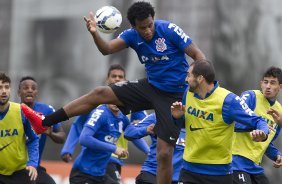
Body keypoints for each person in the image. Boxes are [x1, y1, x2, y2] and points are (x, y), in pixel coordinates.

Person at [21, 2, 206, 184]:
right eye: (143, 28)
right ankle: (44, 122)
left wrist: (194, 83)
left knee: (164, 153)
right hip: (150, 87)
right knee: (99, 93)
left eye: (150, 25)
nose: (148, 30)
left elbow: (200, 57)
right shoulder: (132, 36)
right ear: (134, 27)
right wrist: (94, 32)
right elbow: (106, 50)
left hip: (174, 95)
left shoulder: (169, 30)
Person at [170, 60, 269, 184]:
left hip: (218, 174)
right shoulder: (188, 93)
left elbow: (259, 121)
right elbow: (186, 125)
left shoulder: (228, 100)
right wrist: (178, 117)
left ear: (200, 78)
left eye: (189, 75)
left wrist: (263, 133)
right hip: (189, 170)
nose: (186, 79)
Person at [61, 64, 149, 183]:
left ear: (126, 81)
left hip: (117, 158)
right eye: (114, 76)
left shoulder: (129, 107)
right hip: (103, 159)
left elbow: (134, 130)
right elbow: (78, 126)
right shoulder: (96, 104)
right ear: (107, 79)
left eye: (120, 76)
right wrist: (68, 149)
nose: (117, 79)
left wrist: (146, 139)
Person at [232, 66, 282, 184]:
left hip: (254, 166)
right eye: (266, 82)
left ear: (280, 87)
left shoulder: (279, 111)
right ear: (261, 83)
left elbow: (266, 143)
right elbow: (233, 122)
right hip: (235, 161)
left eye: (273, 83)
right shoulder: (250, 96)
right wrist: (256, 127)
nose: (268, 86)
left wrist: (277, 155)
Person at [18, 76, 66, 184]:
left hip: (35, 167)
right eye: (25, 88)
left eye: (33, 88)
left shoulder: (46, 111)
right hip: (14, 169)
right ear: (18, 92)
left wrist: (50, 133)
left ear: (37, 93)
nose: (30, 90)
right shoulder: (13, 110)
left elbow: (62, 137)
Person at [124, 113, 185, 184]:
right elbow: (128, 132)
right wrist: (146, 129)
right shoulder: (158, 116)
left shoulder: (196, 122)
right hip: (152, 175)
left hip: (177, 179)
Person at [0, 72, 39, 184]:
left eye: (6, 87)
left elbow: (33, 139)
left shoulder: (21, 111)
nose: (4, 91)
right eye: (0, 87)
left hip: (20, 171)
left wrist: (32, 163)